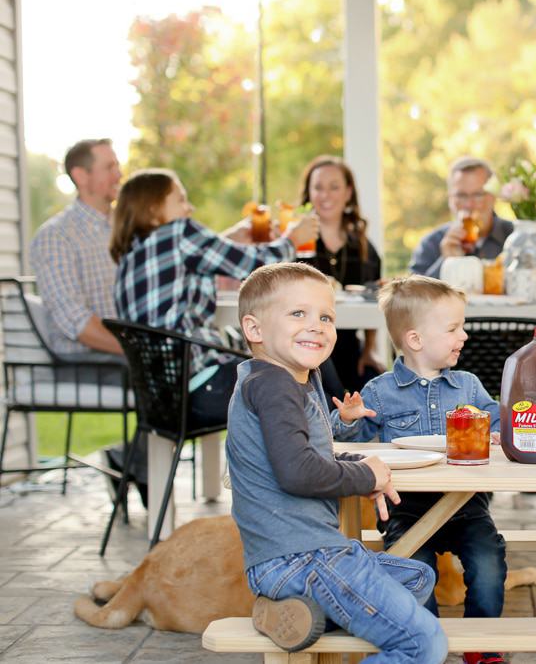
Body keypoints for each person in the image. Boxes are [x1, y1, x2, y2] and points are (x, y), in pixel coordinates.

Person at [226, 262, 447, 660]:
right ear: (254, 329)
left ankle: (287, 613)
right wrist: (364, 475)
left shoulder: (283, 379)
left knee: (417, 577)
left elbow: (305, 452)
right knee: (423, 642)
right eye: (298, 314)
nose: (317, 326)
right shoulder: (275, 386)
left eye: (326, 316)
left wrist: (361, 465)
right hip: (305, 557)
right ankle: (297, 606)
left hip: (291, 558)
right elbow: (297, 472)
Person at [331, 274, 506, 664]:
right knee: (413, 570)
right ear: (415, 340)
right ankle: (425, 641)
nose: (464, 336)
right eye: (453, 328)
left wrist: (500, 430)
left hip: (466, 503)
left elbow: (496, 420)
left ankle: (482, 642)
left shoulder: (468, 386)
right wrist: (348, 420)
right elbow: (349, 445)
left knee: (488, 559)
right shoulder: (378, 391)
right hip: (405, 506)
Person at [110, 168, 318, 431]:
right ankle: (336, 446)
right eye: (181, 200)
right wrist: (293, 239)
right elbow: (255, 264)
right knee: (304, 361)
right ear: (153, 208)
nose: (190, 208)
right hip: (205, 388)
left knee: (289, 359)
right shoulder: (179, 232)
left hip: (162, 402)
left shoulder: (130, 257)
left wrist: (229, 239)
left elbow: (197, 260)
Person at [296, 155, 384, 396]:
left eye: (334, 187)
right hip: (306, 344)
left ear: (348, 192)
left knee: (377, 384)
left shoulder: (363, 245)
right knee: (332, 392)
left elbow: (372, 297)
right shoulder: (295, 241)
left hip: (348, 347)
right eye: (318, 187)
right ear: (309, 193)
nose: (326, 195)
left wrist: (369, 351)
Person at [29, 138, 123, 357]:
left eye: (117, 166)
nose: (118, 175)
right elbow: (77, 321)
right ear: (81, 176)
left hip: (124, 359)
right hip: (85, 363)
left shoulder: (124, 228)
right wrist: (139, 353)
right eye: (109, 167)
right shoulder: (56, 236)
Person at [409, 156, 514, 278]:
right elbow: (412, 295)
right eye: (461, 195)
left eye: (478, 195)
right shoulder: (430, 244)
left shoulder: (515, 237)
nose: (469, 204)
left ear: (493, 196)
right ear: (450, 199)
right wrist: (446, 261)